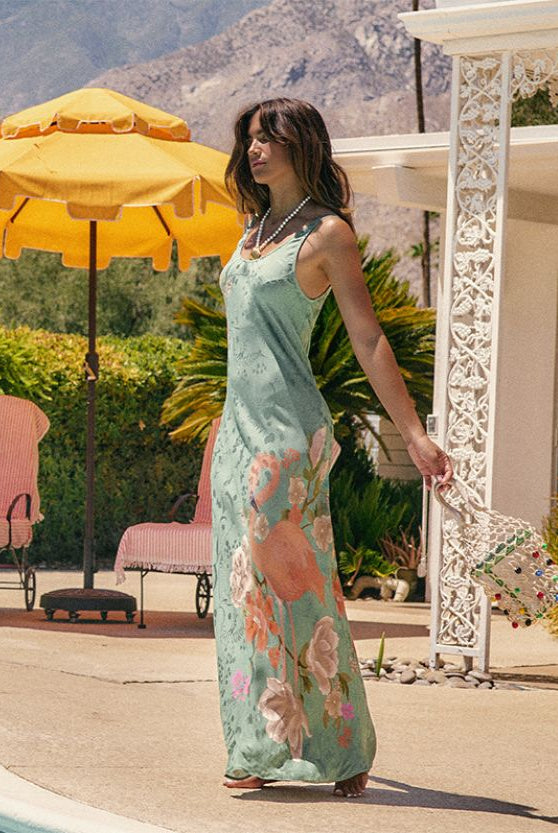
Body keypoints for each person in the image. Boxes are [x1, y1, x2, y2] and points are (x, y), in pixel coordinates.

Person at [210, 97, 453, 798]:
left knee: (294, 592)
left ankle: (332, 746)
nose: (254, 149)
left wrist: (414, 434)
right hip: (237, 435)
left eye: (267, 138)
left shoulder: (326, 234)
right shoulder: (251, 228)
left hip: (285, 439)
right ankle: (263, 743)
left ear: (299, 143)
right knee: (242, 597)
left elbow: (368, 338)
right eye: (249, 138)